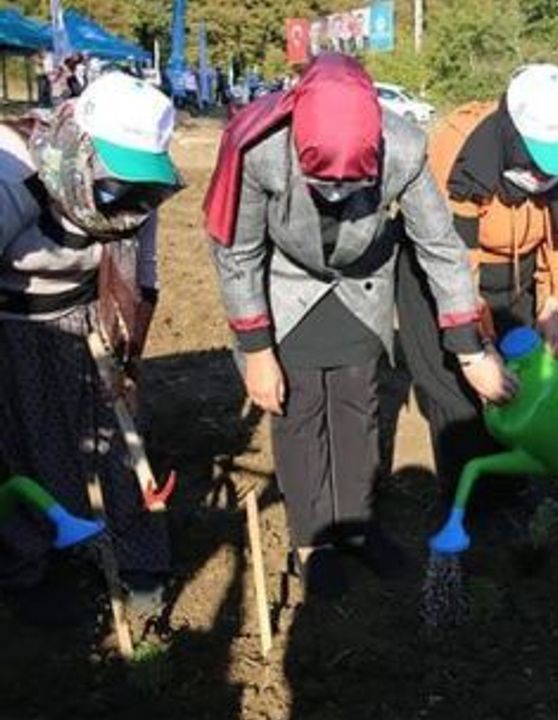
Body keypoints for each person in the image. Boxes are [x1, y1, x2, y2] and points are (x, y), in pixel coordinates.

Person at [204, 54, 512, 601]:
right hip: (288, 283)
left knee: (356, 404)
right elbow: (239, 250)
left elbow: (440, 245)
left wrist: (469, 350)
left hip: (362, 282)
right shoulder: (259, 145)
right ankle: (313, 542)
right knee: (298, 412)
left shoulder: (405, 147)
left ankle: (358, 523)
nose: (338, 196)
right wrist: (255, 348)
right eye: (323, 182)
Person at [0, 72, 183, 624]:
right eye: (116, 186)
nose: (130, 204)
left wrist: (129, 363)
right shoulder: (14, 174)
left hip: (89, 318)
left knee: (121, 443)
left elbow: (142, 276)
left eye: (141, 188)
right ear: (80, 149)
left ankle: (139, 563)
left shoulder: (139, 192)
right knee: (26, 447)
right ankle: (29, 567)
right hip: (11, 326)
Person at [396, 64, 558, 511]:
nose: (547, 175)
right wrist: (473, 347)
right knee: (460, 393)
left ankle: (512, 489)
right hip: (439, 274)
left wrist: (554, 304)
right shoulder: (459, 149)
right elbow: (450, 260)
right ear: (513, 133)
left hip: (516, 274)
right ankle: (468, 504)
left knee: (514, 383)